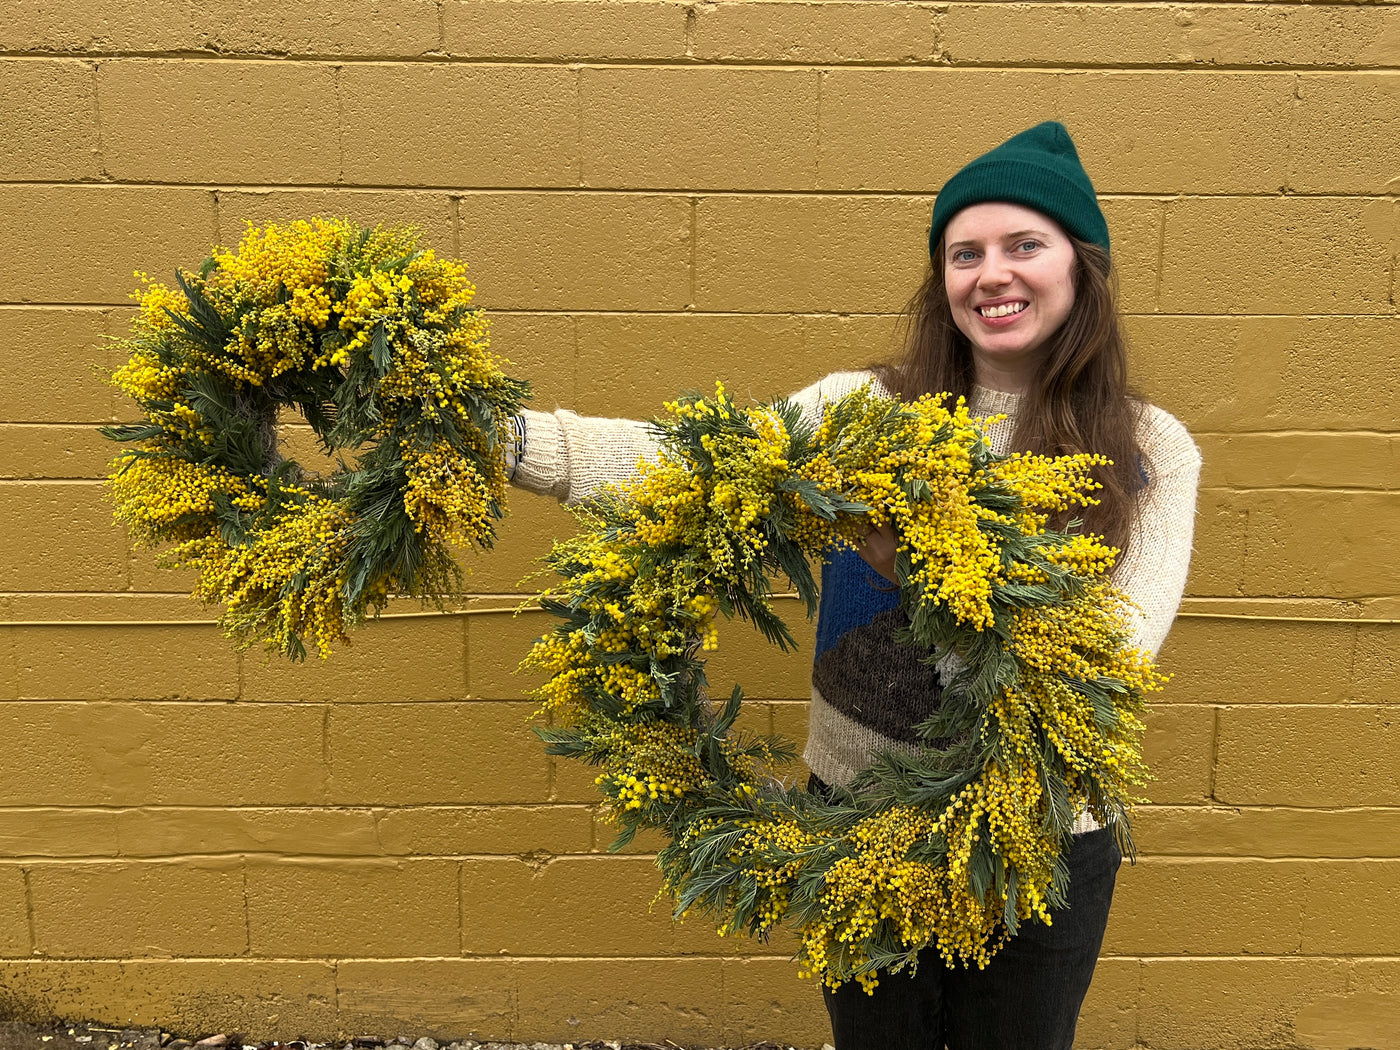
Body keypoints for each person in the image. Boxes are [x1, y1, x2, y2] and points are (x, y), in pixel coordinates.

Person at [504, 121, 1201, 1050]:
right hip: (852, 815)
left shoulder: (1150, 451)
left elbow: (1101, 665)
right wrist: (510, 440)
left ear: (1081, 268)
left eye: (1024, 245)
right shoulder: (859, 411)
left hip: (1043, 838)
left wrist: (913, 566)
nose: (991, 273)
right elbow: (697, 463)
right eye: (965, 253)